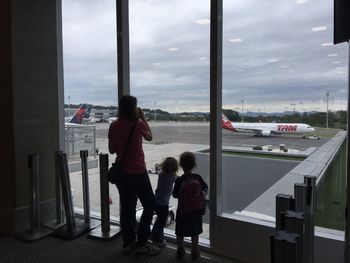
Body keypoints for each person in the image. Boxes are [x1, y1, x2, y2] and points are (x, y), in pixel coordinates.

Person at [108, 95, 160, 255]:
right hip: (137, 172)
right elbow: (150, 137)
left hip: (122, 174)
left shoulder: (114, 126)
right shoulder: (138, 124)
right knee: (150, 205)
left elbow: (111, 150)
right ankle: (142, 242)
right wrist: (143, 118)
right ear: (133, 108)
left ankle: (128, 242)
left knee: (127, 208)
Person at [172, 152, 208, 260]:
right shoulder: (197, 177)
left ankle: (180, 249)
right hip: (196, 211)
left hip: (182, 211)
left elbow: (174, 195)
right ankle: (194, 250)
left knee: (180, 231)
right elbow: (205, 188)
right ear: (194, 165)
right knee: (194, 231)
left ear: (181, 165)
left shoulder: (179, 180)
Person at [151, 157, 178, 247]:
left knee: (159, 220)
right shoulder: (172, 178)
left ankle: (154, 235)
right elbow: (178, 178)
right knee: (162, 221)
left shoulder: (161, 175)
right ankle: (159, 239)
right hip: (163, 203)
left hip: (156, 200)